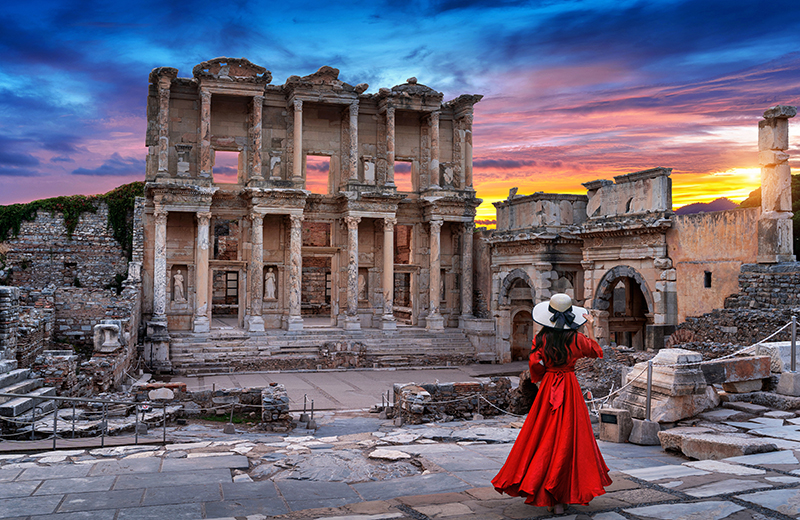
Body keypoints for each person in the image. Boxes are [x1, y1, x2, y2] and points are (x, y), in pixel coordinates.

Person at [492, 293, 611, 514]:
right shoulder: (576, 339)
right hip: (570, 388)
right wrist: (591, 328)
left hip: (549, 388)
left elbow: (534, 364)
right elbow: (597, 352)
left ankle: (547, 493)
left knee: (543, 437)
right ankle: (563, 497)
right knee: (569, 438)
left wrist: (541, 375)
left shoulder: (542, 338)